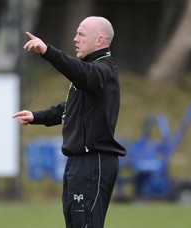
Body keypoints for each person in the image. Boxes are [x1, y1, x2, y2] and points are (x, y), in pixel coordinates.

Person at [12, 16, 126, 228]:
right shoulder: (90, 73)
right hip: (79, 163)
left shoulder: (102, 71)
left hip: (93, 162)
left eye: (81, 34)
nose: (75, 39)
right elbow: (70, 109)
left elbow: (80, 73)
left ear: (99, 40)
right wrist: (37, 117)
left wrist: (48, 52)